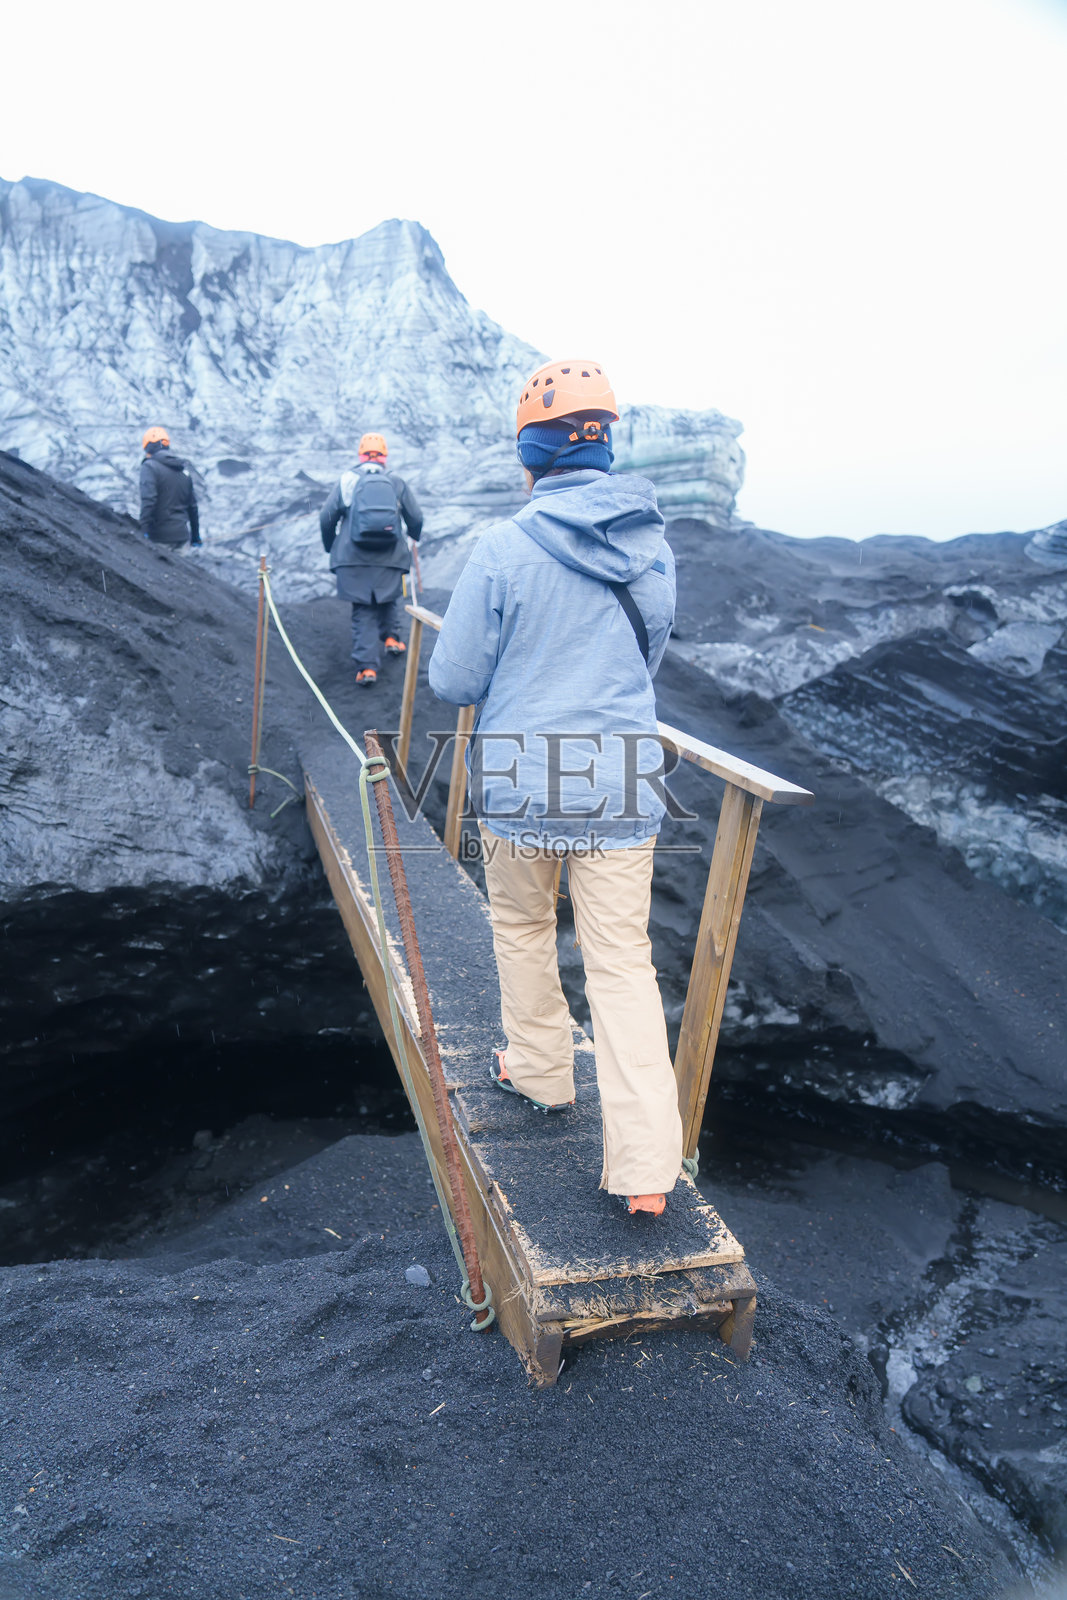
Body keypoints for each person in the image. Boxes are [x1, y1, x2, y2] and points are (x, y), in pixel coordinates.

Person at [428, 359, 682, 1217]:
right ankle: (646, 1169)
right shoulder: (653, 549)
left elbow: (455, 680)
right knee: (622, 965)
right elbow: (644, 661)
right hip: (619, 777)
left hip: (520, 779)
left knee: (522, 924)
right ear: (606, 448)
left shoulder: (502, 549)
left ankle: (540, 1073)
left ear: (530, 453)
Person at [318, 433, 424, 686]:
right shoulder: (395, 482)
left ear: (360, 455)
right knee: (388, 594)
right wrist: (413, 536)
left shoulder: (348, 481)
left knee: (363, 608)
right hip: (390, 556)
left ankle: (367, 668)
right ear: (384, 457)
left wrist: (331, 546)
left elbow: (326, 517)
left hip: (353, 558)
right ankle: (392, 638)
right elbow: (416, 518)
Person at [139, 427, 201, 549]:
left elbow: (149, 500)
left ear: (148, 447)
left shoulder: (149, 467)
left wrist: (142, 532)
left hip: (159, 538)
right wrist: (195, 536)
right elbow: (192, 507)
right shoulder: (182, 469)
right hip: (182, 538)